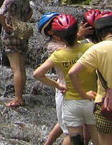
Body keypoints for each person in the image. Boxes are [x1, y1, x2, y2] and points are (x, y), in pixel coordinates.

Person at [34, 14, 100, 145]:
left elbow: (37, 74)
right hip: (92, 98)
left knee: (73, 137)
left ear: (59, 36)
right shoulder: (90, 47)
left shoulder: (59, 54)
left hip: (70, 100)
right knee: (97, 138)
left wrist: (57, 85)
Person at [69, 12, 112, 145]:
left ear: (99, 32)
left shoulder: (96, 49)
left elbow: (72, 73)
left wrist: (83, 94)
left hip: (105, 105)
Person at [0, 0, 33, 107]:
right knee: (21, 67)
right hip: (22, 34)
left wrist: (5, 25)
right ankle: (20, 96)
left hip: (11, 35)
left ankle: (18, 98)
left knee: (15, 68)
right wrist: (23, 21)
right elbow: (30, 13)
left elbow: (0, 14)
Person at [38, 12, 72, 145]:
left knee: (63, 122)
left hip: (73, 89)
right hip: (65, 89)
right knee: (70, 131)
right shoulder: (53, 46)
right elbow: (69, 51)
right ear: (51, 32)